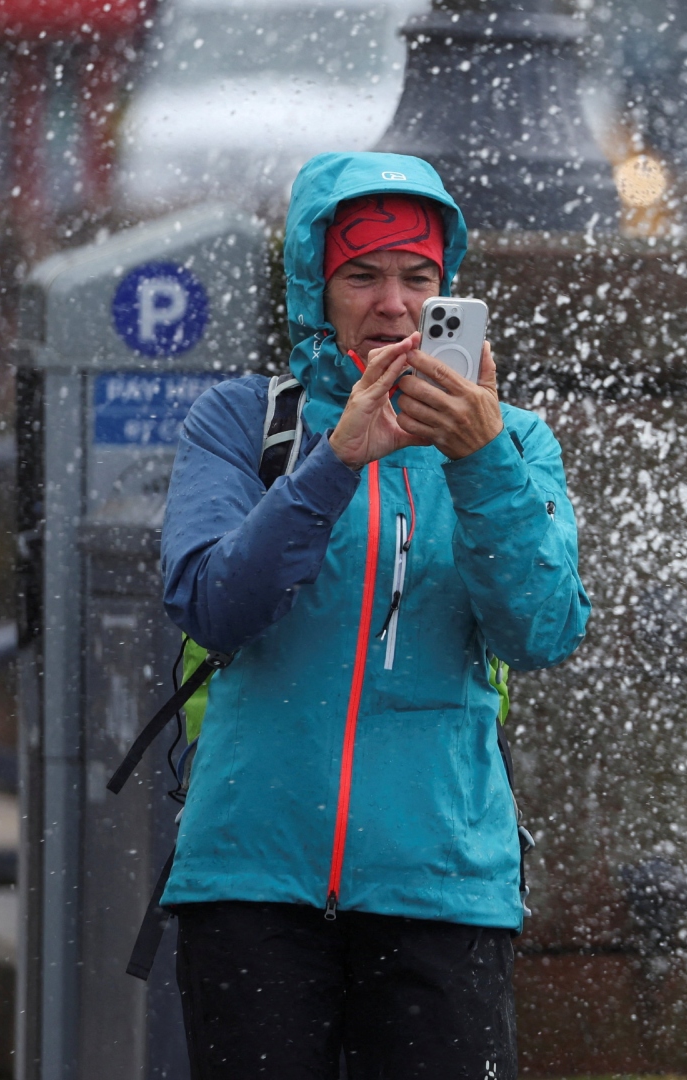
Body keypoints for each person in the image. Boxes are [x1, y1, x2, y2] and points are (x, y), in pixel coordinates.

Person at [157, 151, 589, 1078]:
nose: (393, 304)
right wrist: (335, 460)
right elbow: (212, 603)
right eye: (362, 275)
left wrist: (478, 463)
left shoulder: (515, 443)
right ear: (316, 287)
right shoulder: (245, 424)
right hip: (252, 878)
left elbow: (543, 628)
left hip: (442, 887)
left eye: (418, 278)